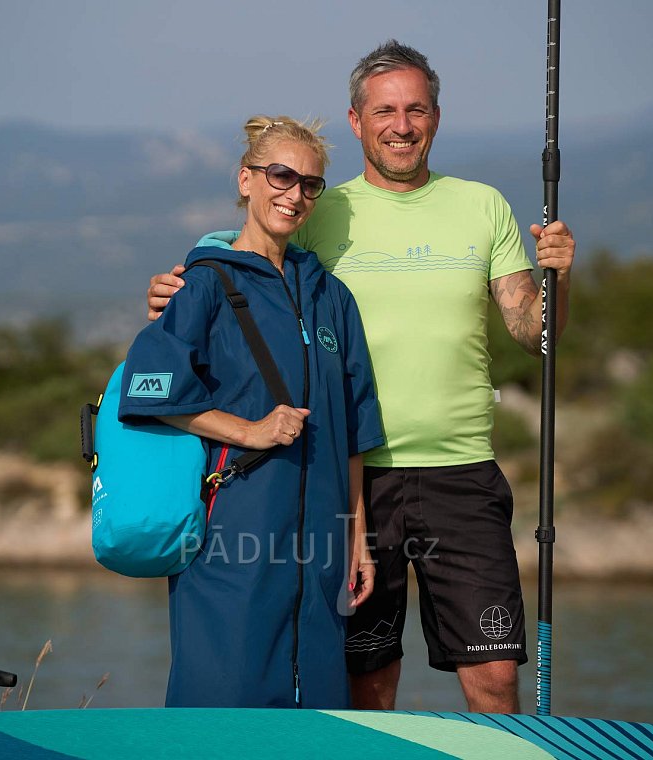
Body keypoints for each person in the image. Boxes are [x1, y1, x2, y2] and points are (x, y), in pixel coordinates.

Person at [147, 41, 576, 713]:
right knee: (364, 685)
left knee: (494, 678)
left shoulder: (483, 206)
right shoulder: (325, 209)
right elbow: (251, 247)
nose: (401, 125)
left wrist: (558, 278)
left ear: (436, 117)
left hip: (460, 471)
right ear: (356, 121)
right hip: (352, 480)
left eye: (416, 109)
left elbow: (535, 333)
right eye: (385, 110)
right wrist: (184, 277)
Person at [121, 115, 384, 709]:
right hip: (231, 541)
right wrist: (249, 431)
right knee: (219, 715)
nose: (295, 194)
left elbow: (354, 435)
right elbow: (150, 389)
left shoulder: (332, 298)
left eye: (310, 184)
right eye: (281, 175)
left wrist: (356, 540)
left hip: (320, 553)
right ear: (246, 180)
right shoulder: (204, 285)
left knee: (315, 723)